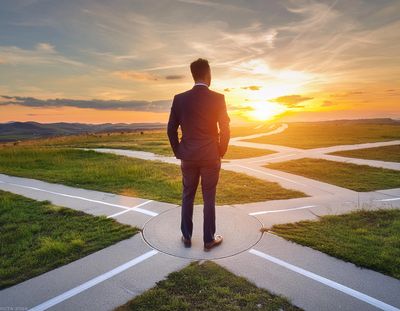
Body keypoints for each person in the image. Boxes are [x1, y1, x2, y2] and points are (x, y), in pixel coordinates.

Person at [167, 58, 230, 251]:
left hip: (188, 156)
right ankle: (208, 239)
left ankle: (186, 236)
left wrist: (180, 151)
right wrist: (220, 150)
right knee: (209, 197)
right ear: (207, 73)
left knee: (188, 195)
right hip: (211, 155)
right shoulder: (218, 98)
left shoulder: (179, 98)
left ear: (193, 74)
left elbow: (171, 129)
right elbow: (225, 129)